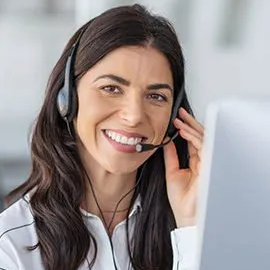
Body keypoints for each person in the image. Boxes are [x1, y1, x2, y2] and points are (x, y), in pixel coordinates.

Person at [0, 4, 204, 270]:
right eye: (111, 88)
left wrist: (191, 226)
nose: (133, 116)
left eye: (156, 96)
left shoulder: (195, 227)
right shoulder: (11, 246)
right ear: (67, 98)